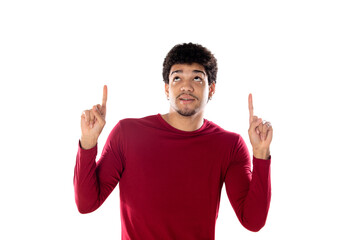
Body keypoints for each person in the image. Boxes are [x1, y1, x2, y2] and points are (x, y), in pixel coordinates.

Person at [74, 43, 273, 240]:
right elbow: (86, 204)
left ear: (211, 89)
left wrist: (261, 153)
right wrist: (88, 142)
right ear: (167, 88)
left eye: (197, 78)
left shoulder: (230, 145)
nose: (186, 86)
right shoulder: (127, 134)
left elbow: (253, 221)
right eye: (177, 77)